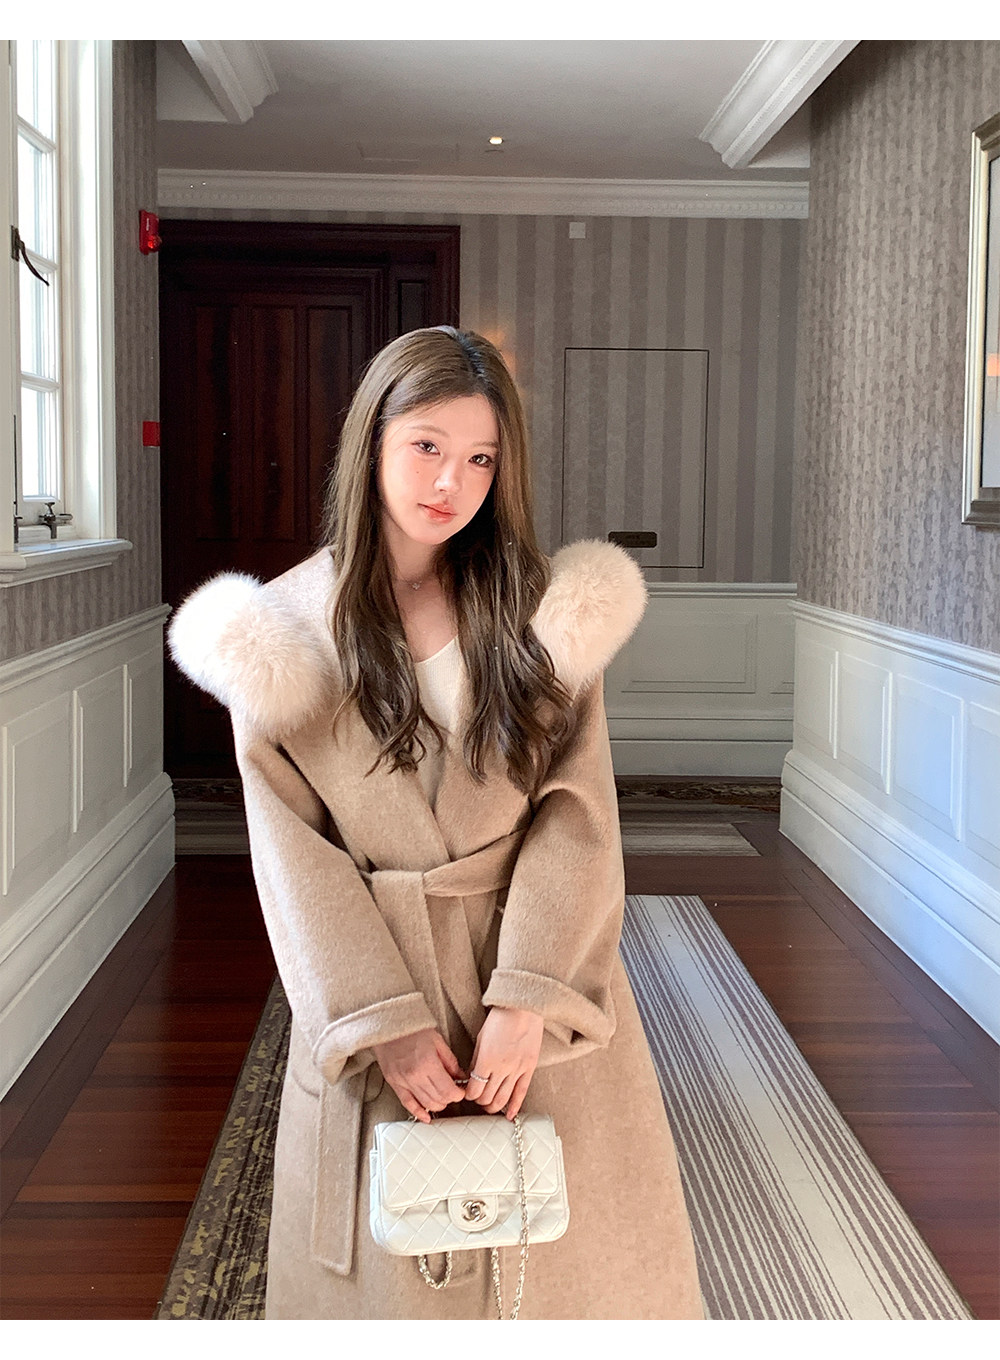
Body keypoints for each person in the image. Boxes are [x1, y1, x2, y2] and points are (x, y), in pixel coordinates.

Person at [166, 325, 704, 1320]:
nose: (452, 481)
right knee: (395, 1282)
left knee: (573, 1275)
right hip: (385, 988)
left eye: (481, 458)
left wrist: (528, 999)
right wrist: (385, 1023)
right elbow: (295, 859)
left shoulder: (544, 614)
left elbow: (577, 814)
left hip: (533, 989)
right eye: (426, 446)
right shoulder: (278, 634)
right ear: (371, 439)